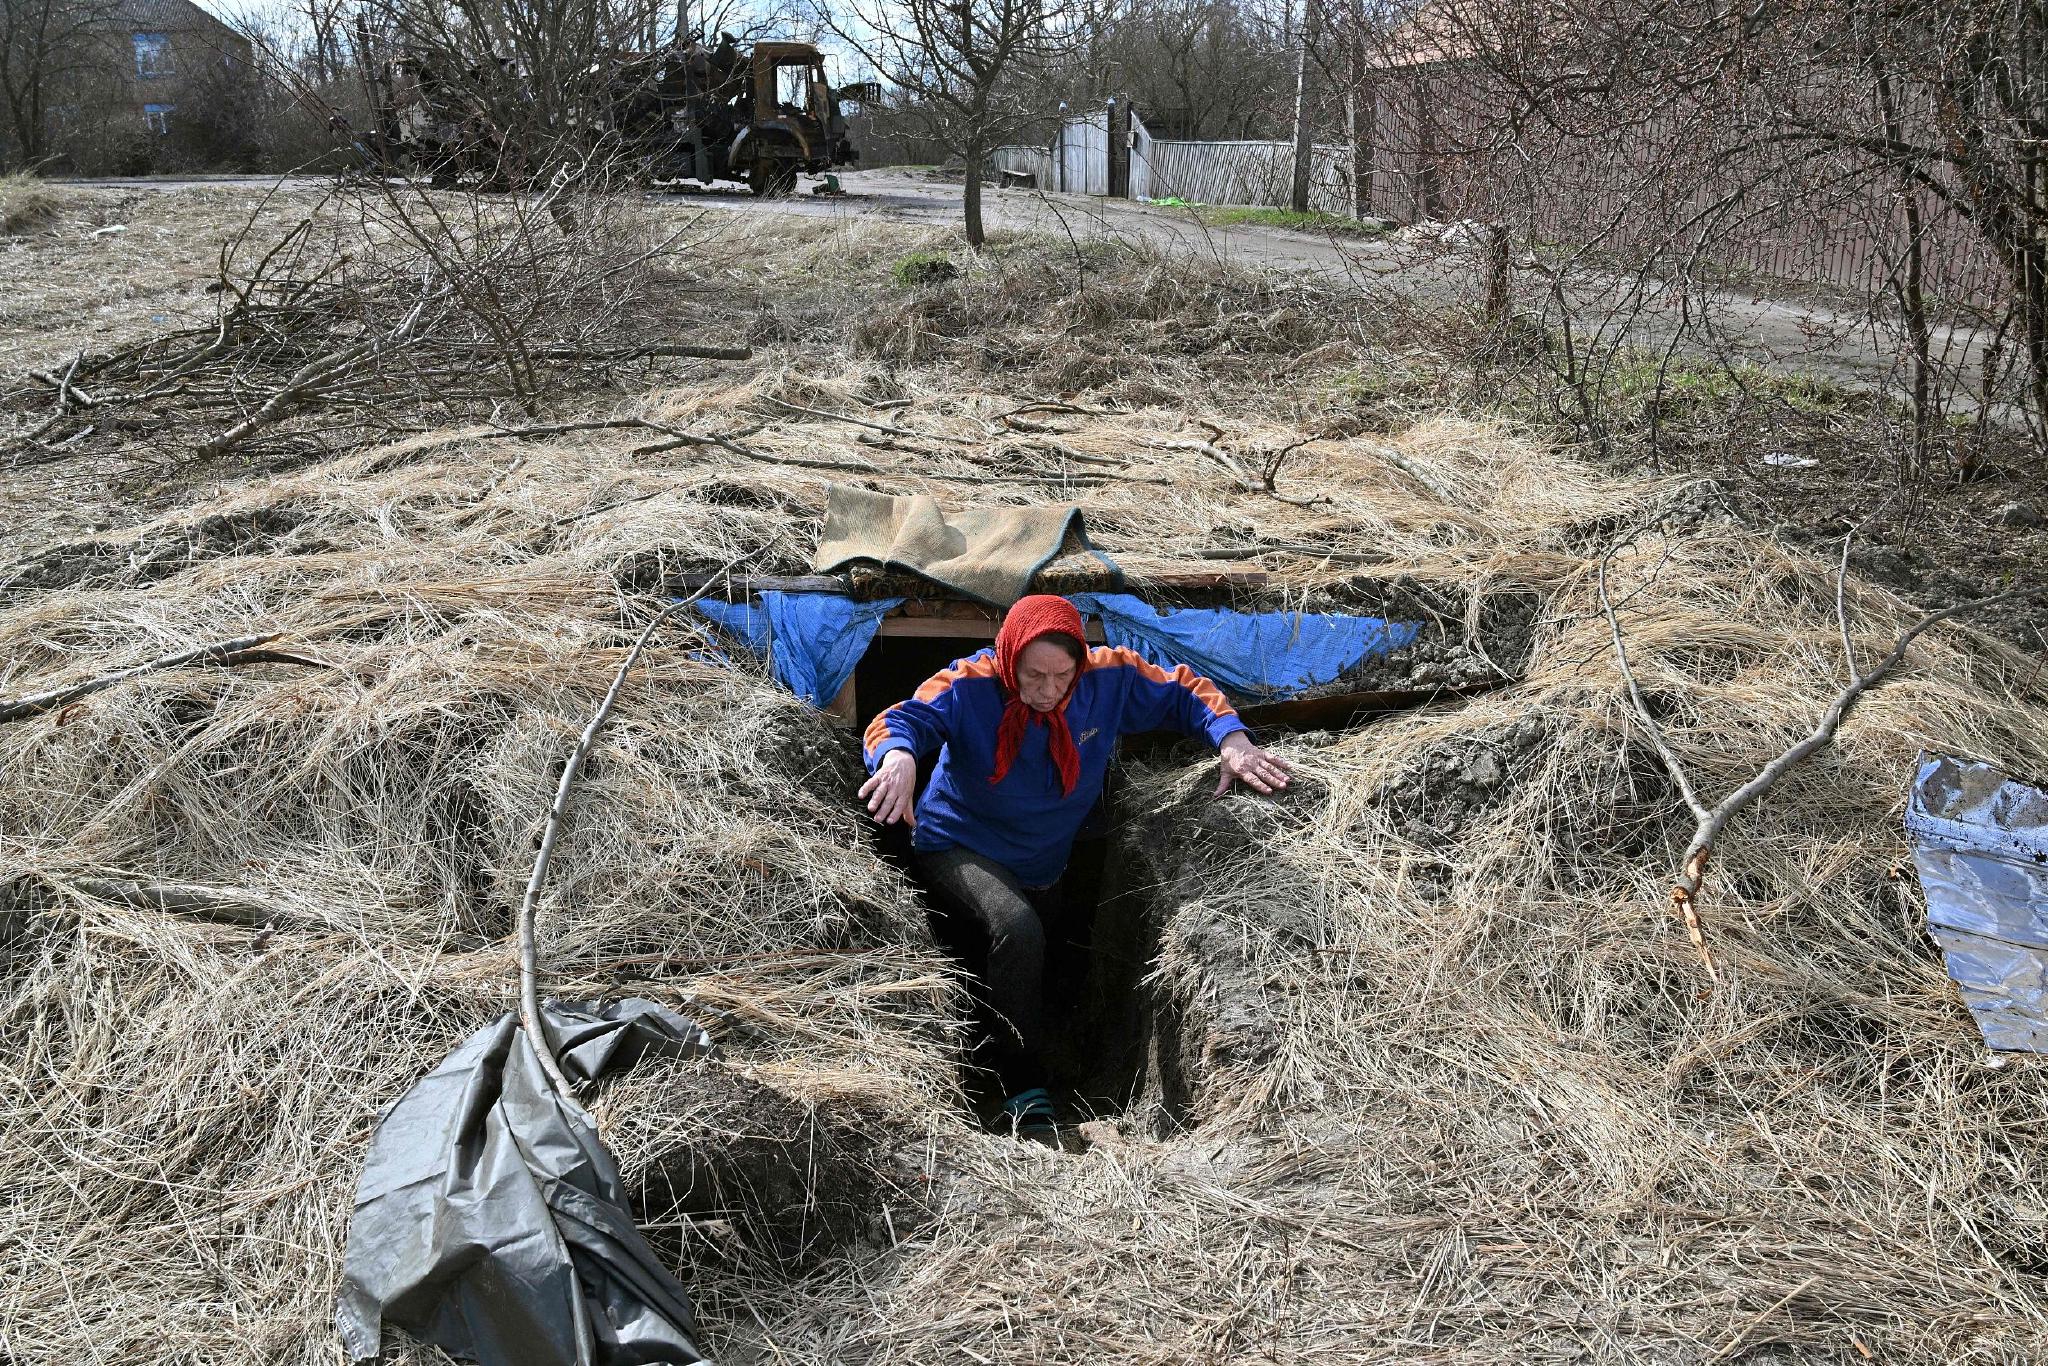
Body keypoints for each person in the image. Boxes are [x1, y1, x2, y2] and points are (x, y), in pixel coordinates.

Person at [857, 594, 1292, 1140]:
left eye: (1061, 675)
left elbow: (1184, 690)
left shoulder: (1108, 676)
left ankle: (1053, 1053)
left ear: (1079, 663)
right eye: (1032, 674)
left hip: (1045, 861)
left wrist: (1231, 739)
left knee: (1051, 957)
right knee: (1016, 931)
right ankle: (1021, 1091)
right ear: (1007, 657)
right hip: (960, 843)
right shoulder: (970, 683)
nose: (1047, 690)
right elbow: (898, 719)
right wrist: (898, 756)